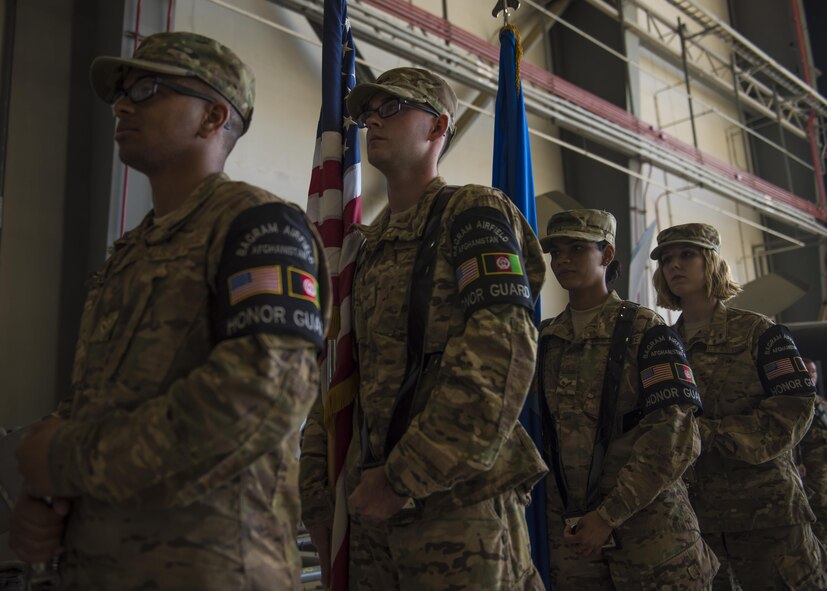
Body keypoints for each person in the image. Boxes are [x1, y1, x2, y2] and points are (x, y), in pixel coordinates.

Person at [9, 31, 331, 590]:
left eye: (149, 88)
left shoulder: (260, 227)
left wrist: (64, 461)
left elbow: (260, 398)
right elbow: (98, 401)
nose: (124, 103)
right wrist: (49, 496)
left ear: (212, 118)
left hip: (213, 571)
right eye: (123, 92)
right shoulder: (133, 250)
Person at [299, 67, 547, 590]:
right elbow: (339, 373)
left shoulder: (472, 212)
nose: (372, 121)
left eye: (392, 108)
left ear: (437, 129)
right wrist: (318, 496)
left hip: (456, 508)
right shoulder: (363, 247)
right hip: (369, 510)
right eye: (369, 112)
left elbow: (501, 353)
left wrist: (402, 478)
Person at [537, 209, 718, 589]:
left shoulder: (645, 330)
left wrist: (607, 516)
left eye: (576, 247)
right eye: (555, 251)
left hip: (652, 542)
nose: (563, 259)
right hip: (575, 548)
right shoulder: (545, 340)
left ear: (606, 255)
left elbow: (675, 436)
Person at [651, 222, 826, 590]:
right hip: (699, 521)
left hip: (768, 517)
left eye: (687, 255)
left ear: (711, 261)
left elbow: (792, 413)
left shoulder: (759, 332)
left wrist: (704, 434)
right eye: (666, 259)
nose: (674, 266)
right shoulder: (661, 346)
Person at [796, 358, 827, 545]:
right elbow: (794, 437)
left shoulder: (821, 402)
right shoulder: (796, 402)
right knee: (820, 508)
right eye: (806, 372)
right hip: (812, 466)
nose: (811, 376)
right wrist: (797, 460)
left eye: (813, 372)